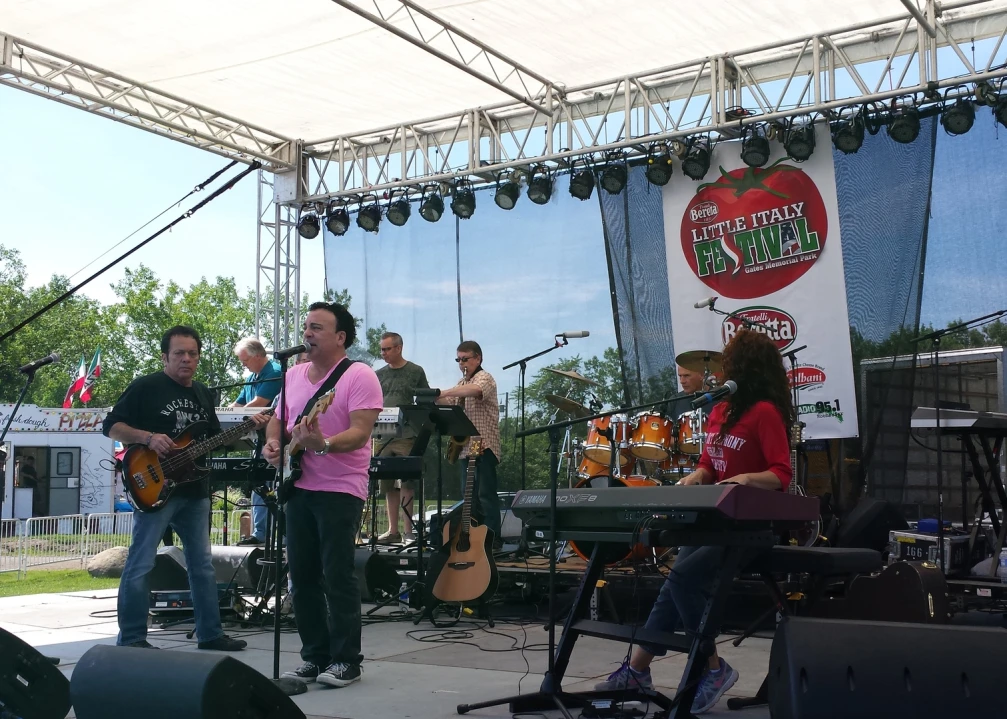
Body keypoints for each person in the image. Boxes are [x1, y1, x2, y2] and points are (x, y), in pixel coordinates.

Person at [595, 329, 793, 714]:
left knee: (683, 579)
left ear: (746, 368)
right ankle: (638, 671)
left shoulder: (765, 412)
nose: (722, 370)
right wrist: (698, 476)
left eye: (730, 363)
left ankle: (712, 667)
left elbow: (781, 474)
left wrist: (746, 478)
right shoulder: (720, 410)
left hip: (748, 527)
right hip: (713, 518)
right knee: (674, 583)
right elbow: (708, 463)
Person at [103, 325, 269, 650]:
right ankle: (132, 639)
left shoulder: (203, 393)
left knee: (202, 566)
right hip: (155, 489)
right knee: (141, 563)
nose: (186, 359)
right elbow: (111, 427)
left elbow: (212, 439)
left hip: (194, 491)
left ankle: (210, 635)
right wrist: (148, 437)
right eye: (179, 353)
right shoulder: (145, 387)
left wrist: (250, 426)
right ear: (165, 357)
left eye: (192, 354)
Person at [263, 302, 382, 688]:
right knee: (302, 576)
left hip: (340, 488)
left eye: (317, 327)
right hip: (297, 486)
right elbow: (278, 421)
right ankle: (315, 656)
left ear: (340, 337)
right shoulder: (293, 374)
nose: (307, 334)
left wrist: (324, 443)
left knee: (337, 574)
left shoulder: (359, 375)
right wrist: (273, 444)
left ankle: (347, 660)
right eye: (306, 327)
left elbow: (361, 432)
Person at [437, 341, 502, 547]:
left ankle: (492, 540)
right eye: (458, 360)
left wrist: (445, 392)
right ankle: (472, 539)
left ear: (478, 358)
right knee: (469, 498)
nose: (461, 364)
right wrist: (434, 397)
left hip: (484, 445)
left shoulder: (484, 377)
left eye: (465, 359)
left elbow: (476, 390)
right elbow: (449, 403)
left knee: (485, 495)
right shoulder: (461, 384)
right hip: (467, 448)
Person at [374, 332, 429, 543]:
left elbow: (425, 398)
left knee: (407, 479)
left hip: (406, 431)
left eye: (387, 349)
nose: (383, 353)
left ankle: (408, 531)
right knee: (387, 481)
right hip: (383, 429)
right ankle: (392, 531)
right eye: (382, 349)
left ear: (399, 348)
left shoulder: (415, 371)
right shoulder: (378, 374)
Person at [230, 337, 282, 546]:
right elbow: (238, 404)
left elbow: (258, 403)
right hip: (258, 440)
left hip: (275, 439)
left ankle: (281, 534)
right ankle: (261, 533)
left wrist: (234, 416)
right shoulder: (252, 377)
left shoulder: (275, 373)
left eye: (246, 360)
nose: (243, 364)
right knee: (258, 484)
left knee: (275, 486)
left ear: (259, 355)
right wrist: (222, 415)